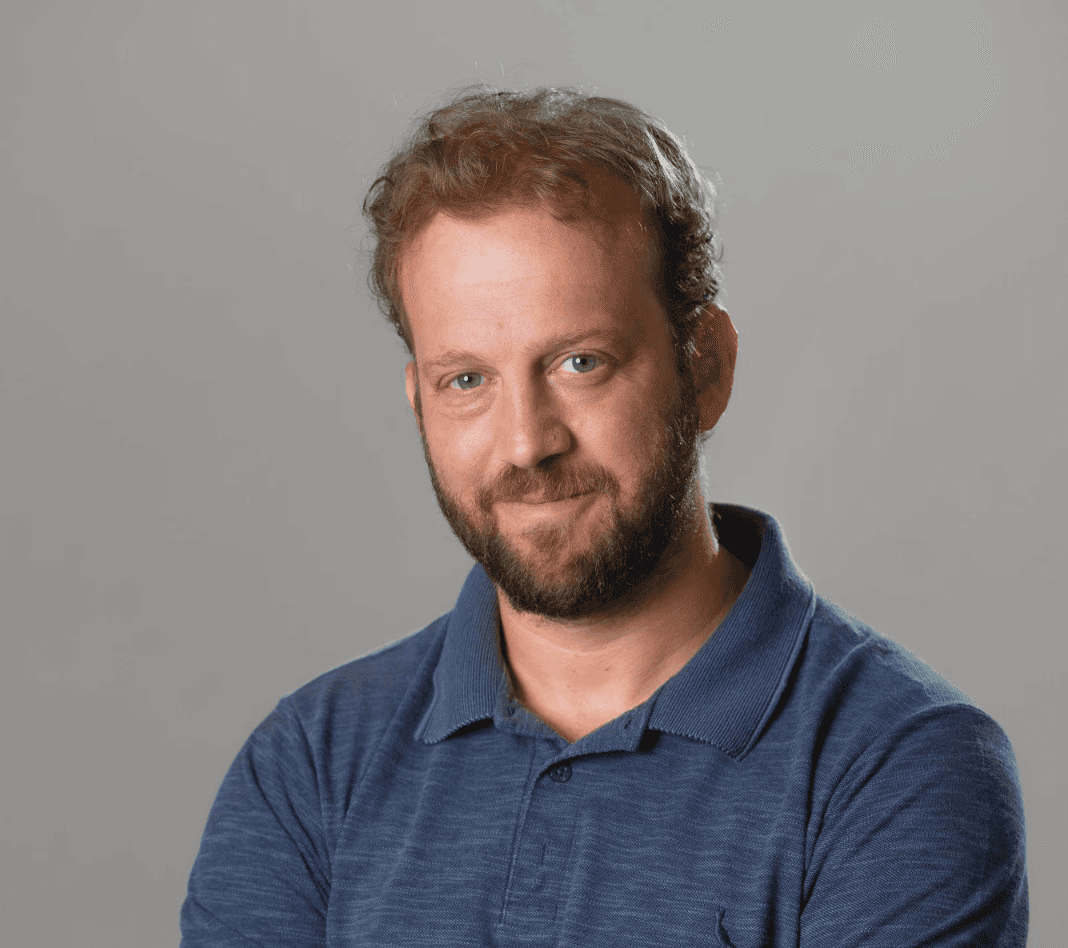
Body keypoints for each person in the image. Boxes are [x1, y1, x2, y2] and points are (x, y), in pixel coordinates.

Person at [180, 86, 1028, 947]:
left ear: (705, 368)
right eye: (466, 380)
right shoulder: (310, 766)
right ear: (419, 402)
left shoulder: (901, 765)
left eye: (579, 363)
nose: (526, 443)